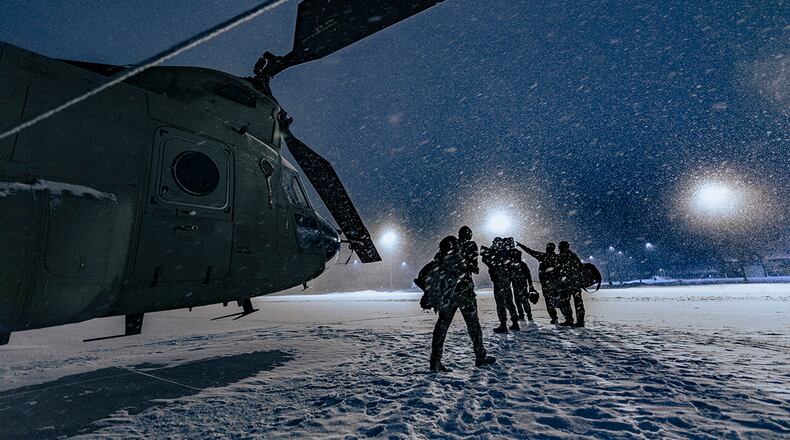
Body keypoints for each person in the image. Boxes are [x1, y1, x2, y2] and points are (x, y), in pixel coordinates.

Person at [416, 235, 495, 372]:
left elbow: (426, 276)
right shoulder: (459, 258)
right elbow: (474, 269)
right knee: (473, 326)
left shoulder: (439, 260)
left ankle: (435, 361)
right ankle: (480, 357)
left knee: (441, 327)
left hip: (448, 298)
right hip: (465, 295)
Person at [481, 237, 520, 333]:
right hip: (506, 282)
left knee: (500, 304)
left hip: (499, 283)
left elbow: (486, 261)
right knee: (509, 302)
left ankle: (503, 325)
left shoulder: (496, 255)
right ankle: (515, 323)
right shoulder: (506, 254)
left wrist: (486, 253)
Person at [518, 242, 560, 324]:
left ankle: (555, 317)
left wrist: (522, 246)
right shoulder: (556, 258)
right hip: (553, 284)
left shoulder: (543, 256)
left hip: (549, 284)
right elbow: (531, 251)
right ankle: (563, 317)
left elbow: (530, 251)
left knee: (550, 301)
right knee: (555, 301)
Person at [556, 240, 585, 327]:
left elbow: (558, 270)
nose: (559, 249)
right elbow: (579, 268)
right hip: (575, 284)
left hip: (567, 284)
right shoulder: (573, 255)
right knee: (578, 303)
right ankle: (580, 321)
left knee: (565, 303)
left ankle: (569, 320)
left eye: (560, 247)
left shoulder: (562, 257)